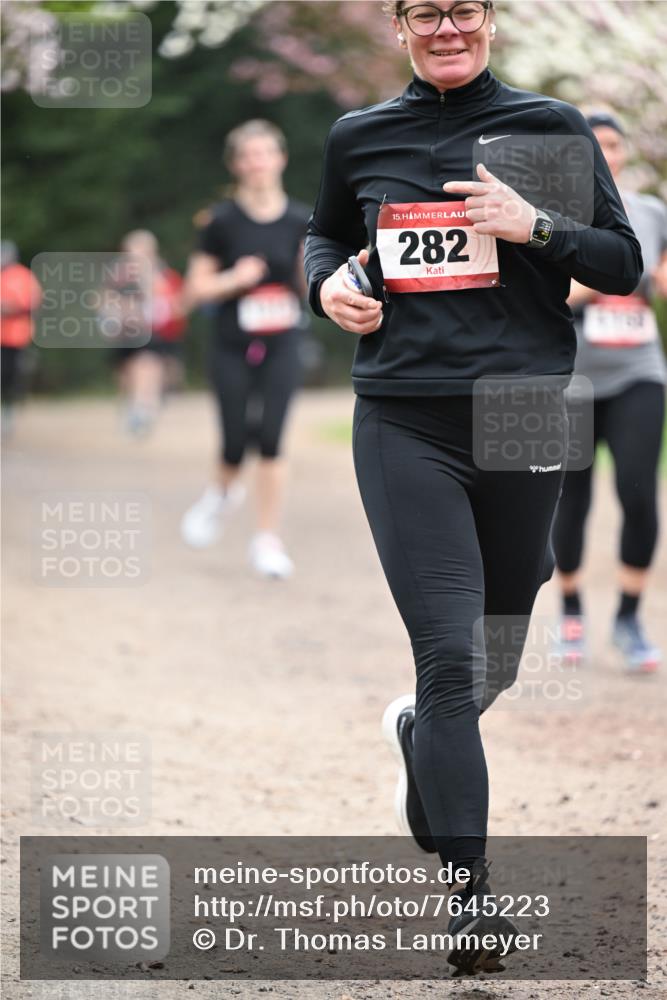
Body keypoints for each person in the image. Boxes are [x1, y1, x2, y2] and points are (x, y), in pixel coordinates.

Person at [304, 0, 642, 976]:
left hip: (527, 408)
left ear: (487, 20)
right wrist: (328, 286)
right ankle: (472, 898)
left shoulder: (546, 128)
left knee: (498, 633)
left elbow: (621, 265)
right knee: (449, 655)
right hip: (406, 413)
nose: (443, 28)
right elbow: (327, 240)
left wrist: (533, 223)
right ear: (400, 27)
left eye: (460, 10)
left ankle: (421, 732)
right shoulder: (362, 135)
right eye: (423, 14)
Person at [552, 112, 667, 675]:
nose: (607, 153)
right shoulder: (552, 216)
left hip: (639, 369)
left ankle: (627, 617)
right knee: (570, 500)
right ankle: (570, 611)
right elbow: (553, 297)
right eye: (594, 146)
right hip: (571, 375)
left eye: (614, 144)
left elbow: (659, 276)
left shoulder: (650, 213)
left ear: (623, 153)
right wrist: (598, 284)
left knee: (639, 493)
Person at [181, 120, 310, 579]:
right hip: (232, 344)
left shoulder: (301, 220)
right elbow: (193, 291)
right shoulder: (219, 221)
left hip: (282, 342)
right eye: (248, 155)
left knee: (272, 439)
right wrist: (233, 279)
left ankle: (267, 539)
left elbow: (308, 285)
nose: (257, 163)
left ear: (281, 158)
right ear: (236, 164)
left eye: (265, 153)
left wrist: (314, 276)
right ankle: (220, 494)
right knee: (235, 441)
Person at [105, 230, 187, 437]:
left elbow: (170, 303)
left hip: (152, 333)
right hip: (126, 333)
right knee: (127, 373)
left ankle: (144, 408)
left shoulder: (160, 274)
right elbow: (106, 300)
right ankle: (134, 405)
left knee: (147, 365)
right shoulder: (118, 274)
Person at [0, 241, 42, 436]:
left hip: (15, 337)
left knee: (10, 376)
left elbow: (30, 304)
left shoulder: (23, 276)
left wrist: (8, 308)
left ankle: (8, 413)